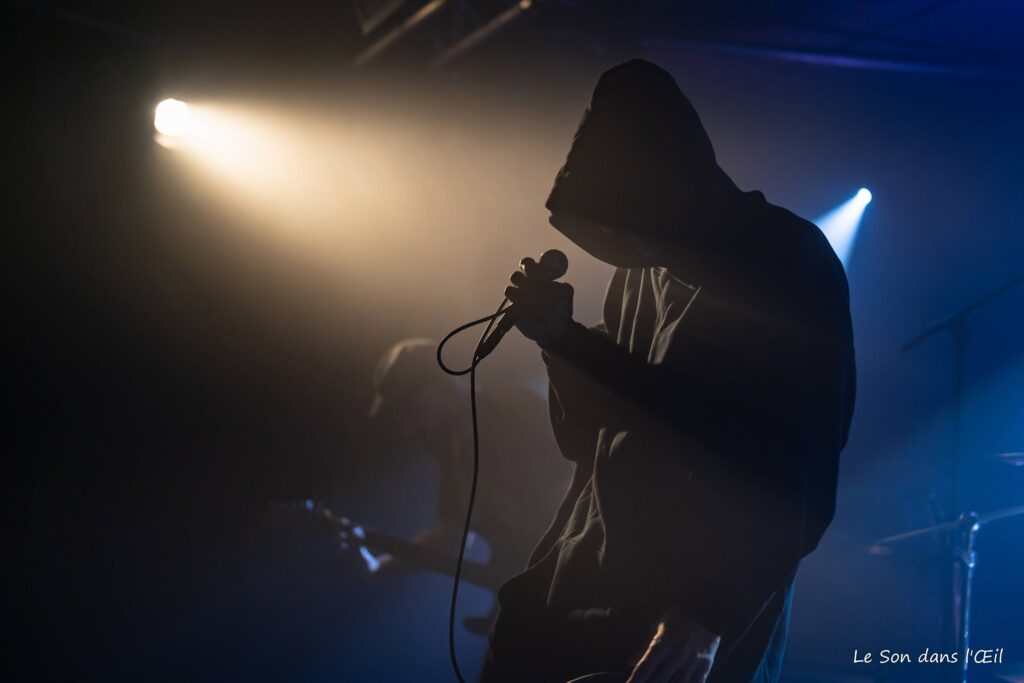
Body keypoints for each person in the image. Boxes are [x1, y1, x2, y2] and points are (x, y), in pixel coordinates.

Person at [481, 60, 856, 683]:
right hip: (580, 587)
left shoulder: (789, 264)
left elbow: (798, 469)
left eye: (627, 222)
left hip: (685, 615)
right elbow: (589, 436)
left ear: (673, 190)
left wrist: (707, 614)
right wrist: (559, 343)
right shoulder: (641, 271)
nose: (621, 243)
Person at [367, 337, 571, 633]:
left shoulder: (507, 410)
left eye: (408, 410)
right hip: (540, 604)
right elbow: (451, 537)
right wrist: (376, 562)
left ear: (432, 391)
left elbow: (572, 488)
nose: (409, 426)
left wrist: (564, 575)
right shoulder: (451, 448)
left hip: (576, 591)